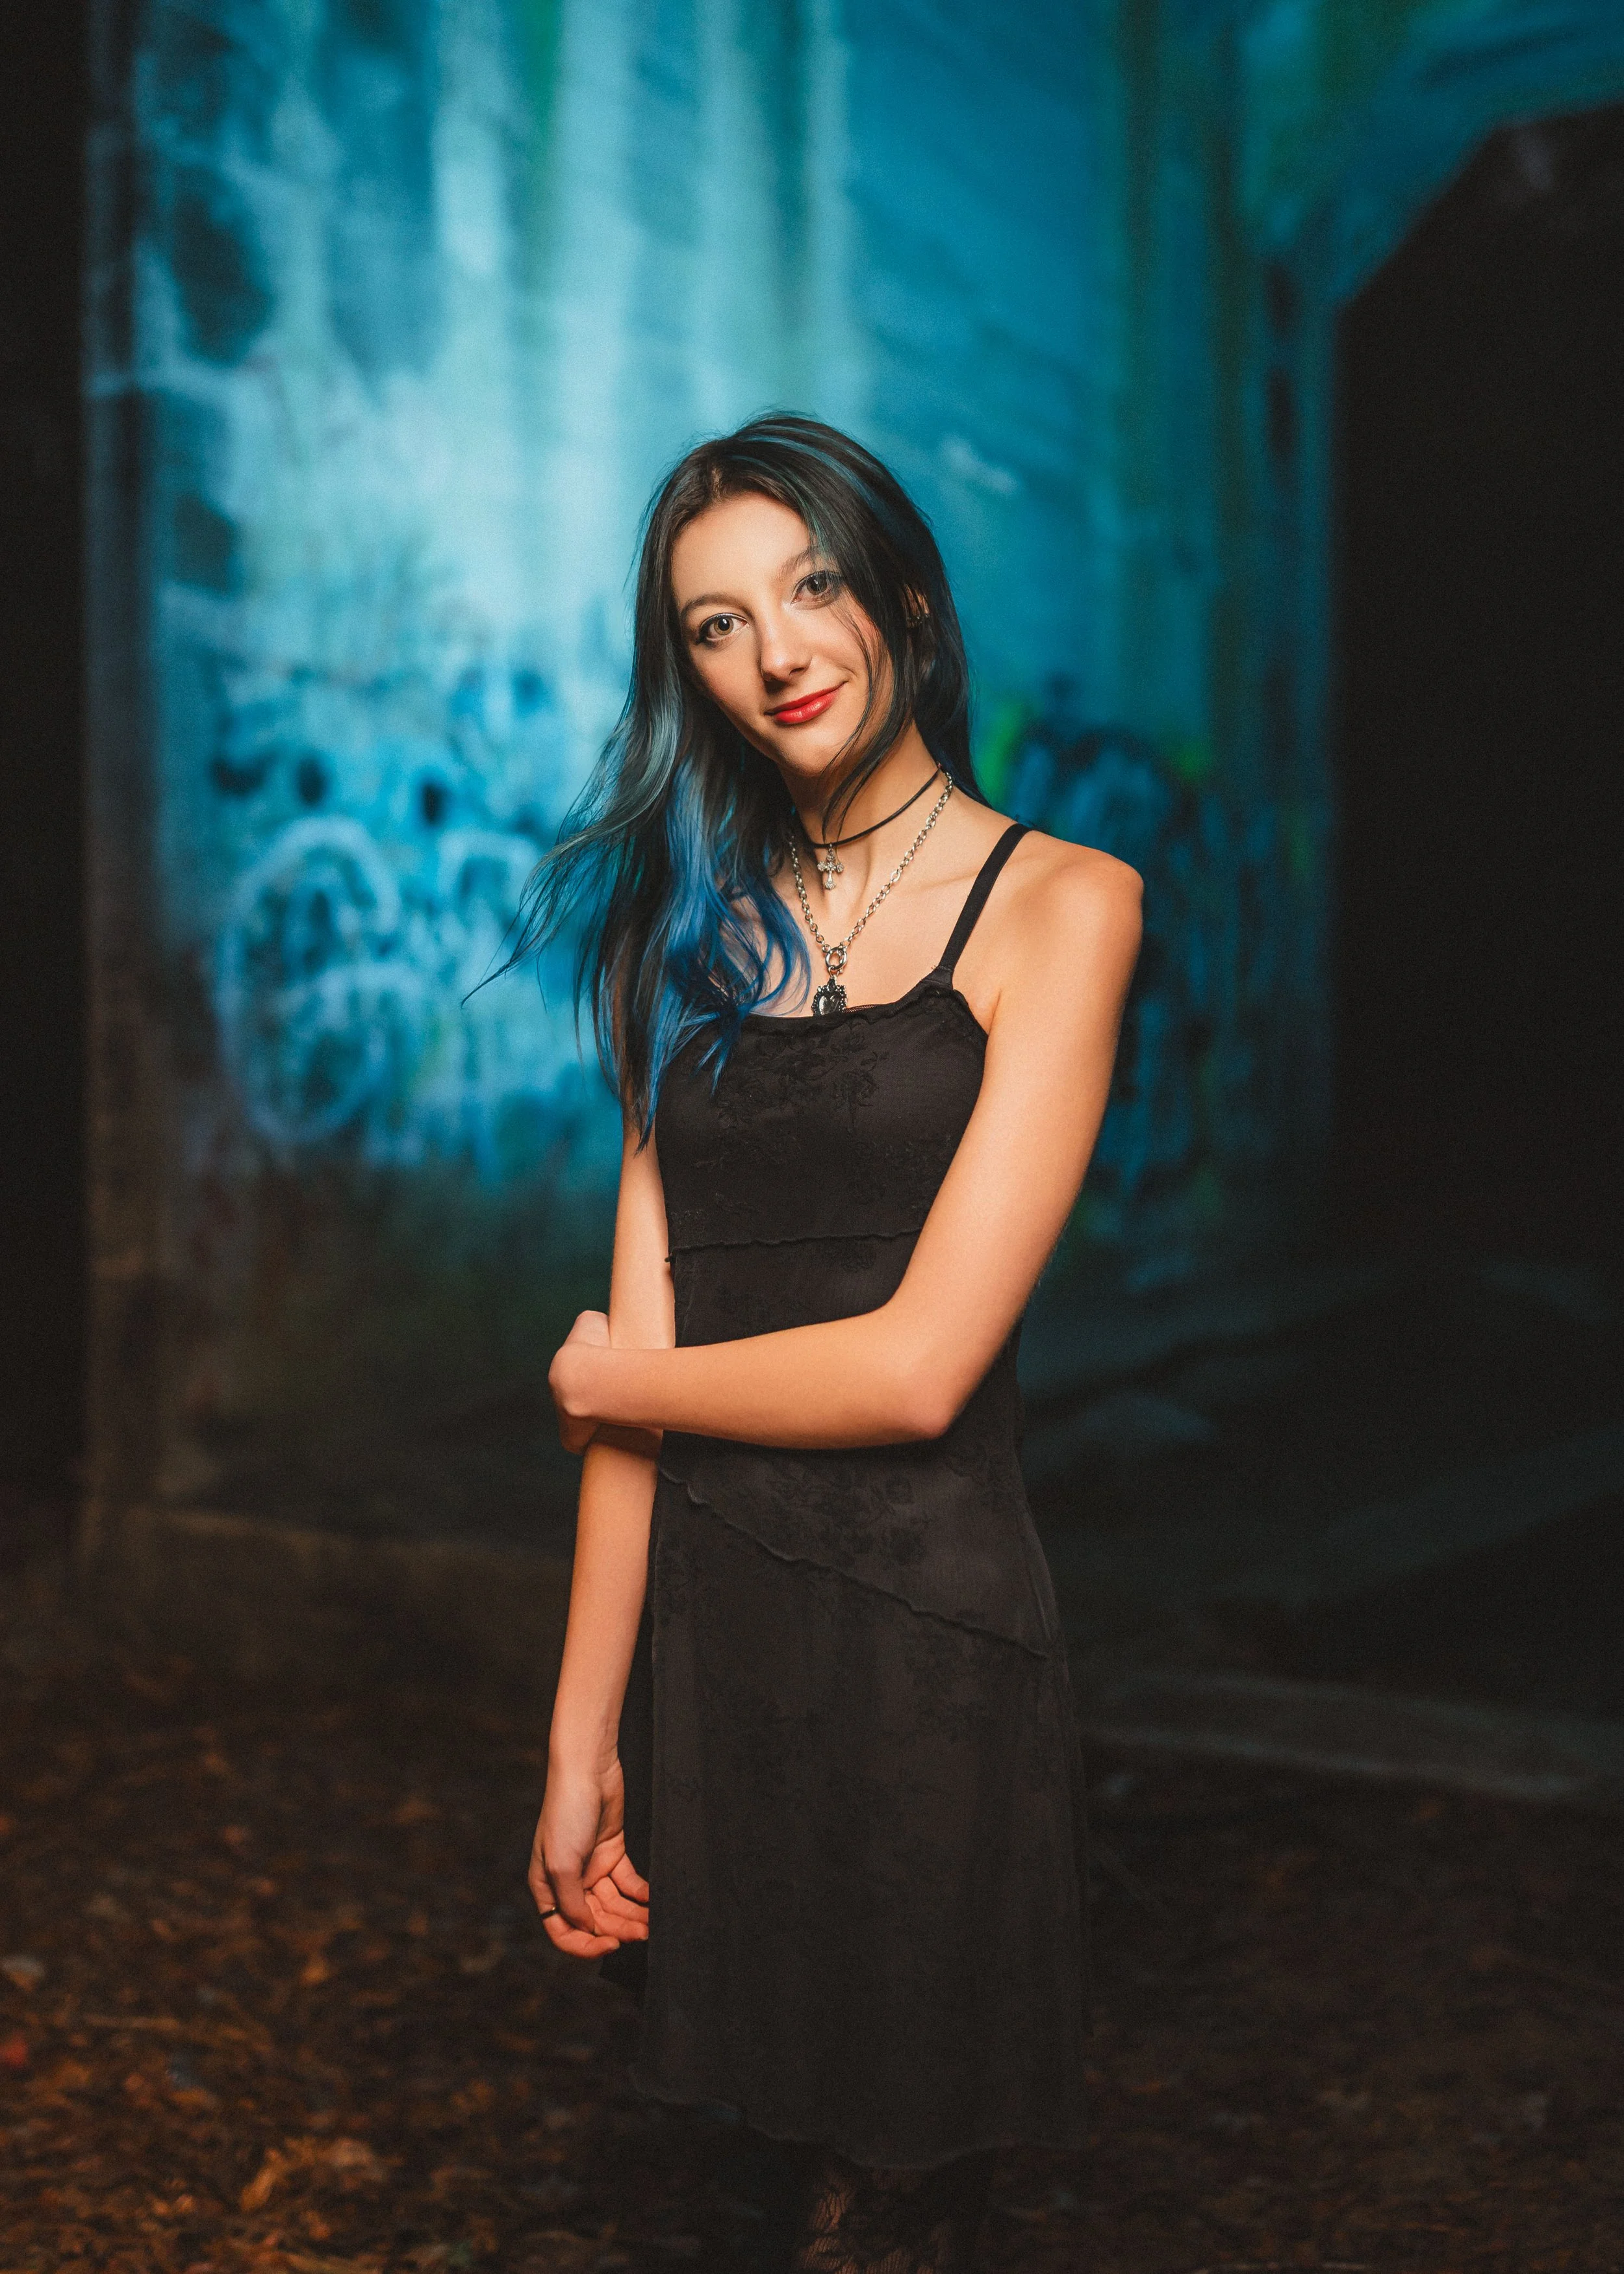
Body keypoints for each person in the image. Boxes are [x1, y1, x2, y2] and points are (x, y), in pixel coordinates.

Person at [518, 415, 1141, 2272]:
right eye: (713, 623)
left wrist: (613, 1381)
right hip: (720, 1644)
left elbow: (916, 1367)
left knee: (898, 2208)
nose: (774, 649)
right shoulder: (681, 932)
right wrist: (579, 1735)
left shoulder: (1063, 902)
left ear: (902, 600)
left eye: (807, 586)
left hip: (926, 1635)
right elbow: (641, 1331)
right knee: (732, 2185)